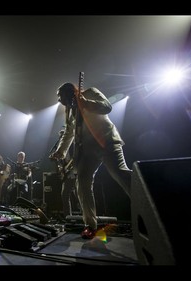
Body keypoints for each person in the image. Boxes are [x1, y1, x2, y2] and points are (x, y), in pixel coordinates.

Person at [49, 82, 132, 239]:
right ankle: (90, 225)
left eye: (61, 97)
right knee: (83, 181)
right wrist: (61, 151)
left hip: (107, 142)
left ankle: (147, 203)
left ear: (71, 92)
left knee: (121, 174)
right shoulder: (69, 110)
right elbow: (68, 132)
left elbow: (107, 107)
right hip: (88, 150)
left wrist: (86, 103)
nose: (60, 101)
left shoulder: (91, 93)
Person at [54, 129, 80, 219]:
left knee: (80, 195)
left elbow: (76, 157)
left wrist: (70, 167)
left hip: (77, 173)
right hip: (67, 175)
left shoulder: (73, 146)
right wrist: (61, 168)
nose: (62, 140)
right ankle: (68, 217)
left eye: (63, 137)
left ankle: (85, 217)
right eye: (61, 138)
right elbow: (60, 164)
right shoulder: (60, 150)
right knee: (64, 195)